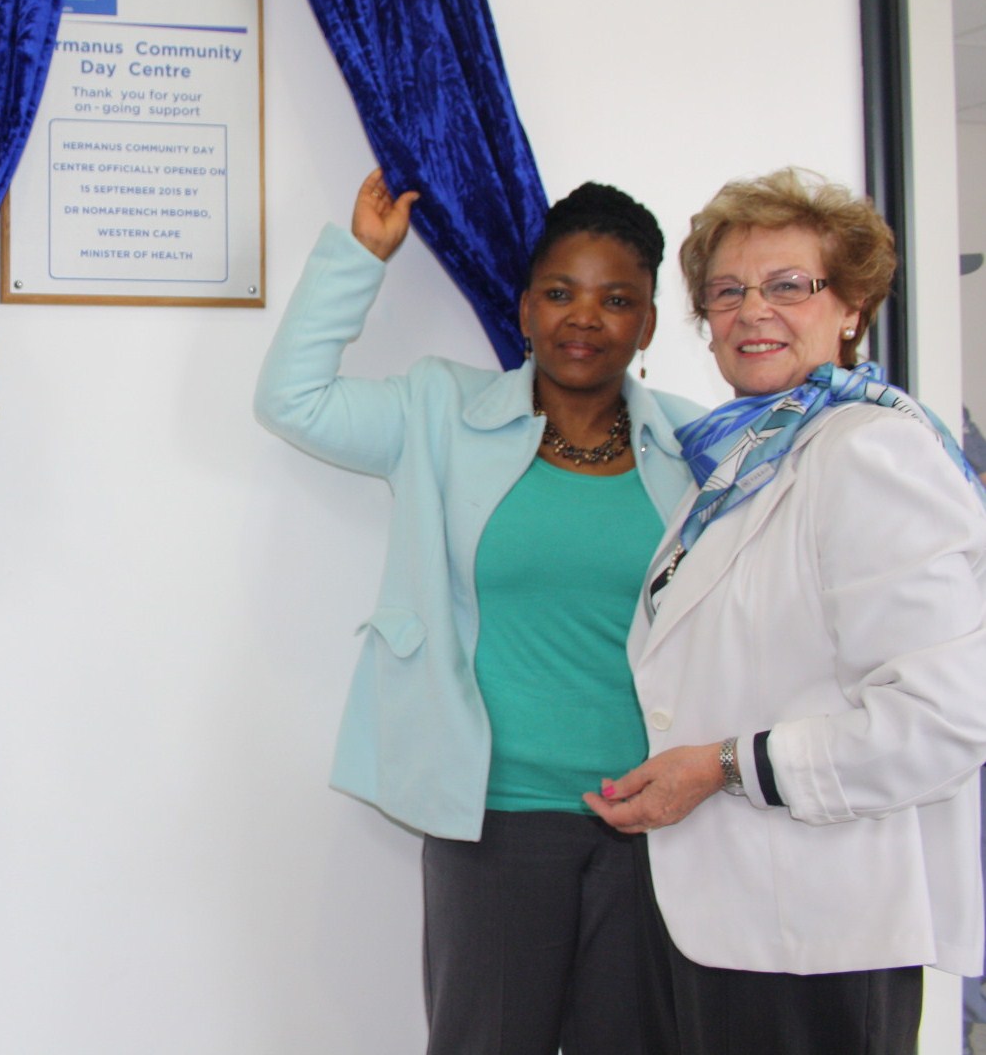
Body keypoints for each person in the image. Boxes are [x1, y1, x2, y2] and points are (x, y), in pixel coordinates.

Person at [254, 166, 701, 1054]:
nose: (585, 317)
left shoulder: (695, 446)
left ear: (647, 324)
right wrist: (360, 260)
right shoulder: (440, 410)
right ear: (526, 308)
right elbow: (289, 401)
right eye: (560, 292)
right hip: (497, 816)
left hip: (651, 820)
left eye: (616, 299)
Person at [585, 168, 986, 1055]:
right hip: (734, 922)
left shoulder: (871, 454)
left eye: (788, 286)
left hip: (825, 932)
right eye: (727, 291)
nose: (751, 310)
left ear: (850, 307)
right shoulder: (746, 461)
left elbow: (943, 721)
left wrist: (727, 766)